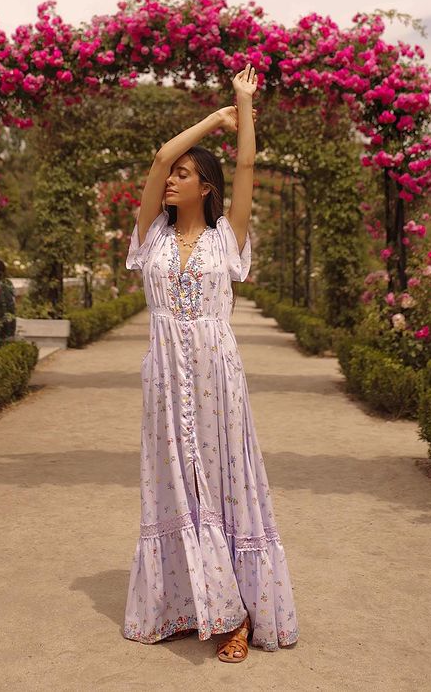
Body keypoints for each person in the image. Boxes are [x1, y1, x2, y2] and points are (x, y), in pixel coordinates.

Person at [122, 65, 299, 662]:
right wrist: (207, 122)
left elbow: (246, 167)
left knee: (224, 487)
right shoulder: (149, 236)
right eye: (173, 173)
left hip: (216, 373)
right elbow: (154, 160)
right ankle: (184, 603)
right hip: (165, 377)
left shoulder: (228, 236)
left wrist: (244, 106)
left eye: (184, 174)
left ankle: (238, 614)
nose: (171, 179)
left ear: (206, 187)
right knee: (173, 487)